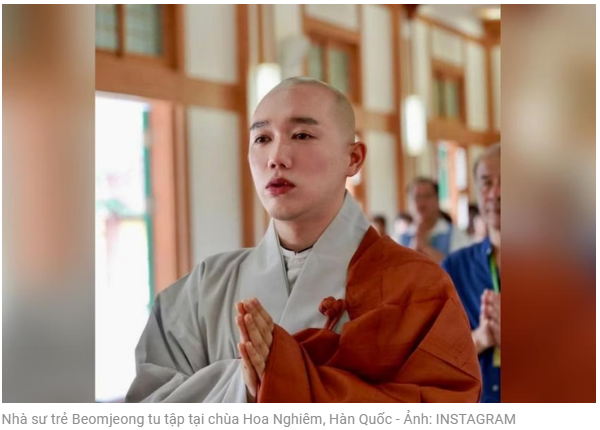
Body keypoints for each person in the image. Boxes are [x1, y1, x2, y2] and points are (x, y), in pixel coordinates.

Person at [126, 77, 481, 403]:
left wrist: (279, 379)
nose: (276, 158)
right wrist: (243, 382)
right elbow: (148, 402)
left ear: (353, 158)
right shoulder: (204, 289)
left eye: (301, 136)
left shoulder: (416, 285)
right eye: (262, 139)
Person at [442, 143, 501, 403]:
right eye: (486, 183)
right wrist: (480, 338)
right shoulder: (455, 268)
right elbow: (435, 355)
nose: (496, 193)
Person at [399, 178, 470, 263]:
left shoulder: (455, 233)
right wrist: (415, 245)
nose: (421, 203)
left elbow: (460, 268)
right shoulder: (400, 237)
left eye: (427, 196)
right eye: (416, 197)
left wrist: (425, 248)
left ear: (437, 200)